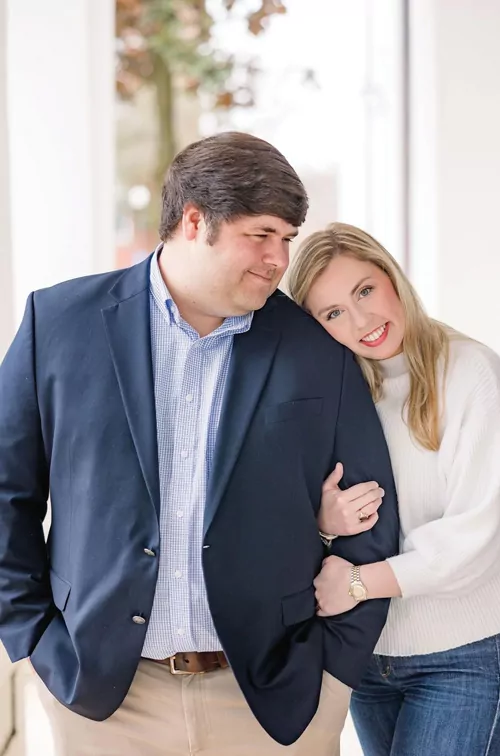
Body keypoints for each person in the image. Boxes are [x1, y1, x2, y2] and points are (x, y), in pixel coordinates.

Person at [0, 134, 399, 756]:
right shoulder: (59, 324)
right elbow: (8, 493)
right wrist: (31, 640)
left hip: (274, 700)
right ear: (194, 221)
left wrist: (334, 675)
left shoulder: (316, 347)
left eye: (287, 239)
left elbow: (373, 510)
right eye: (260, 234)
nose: (278, 259)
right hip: (104, 698)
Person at [289, 221, 500, 756]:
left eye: (364, 291)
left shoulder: (471, 372)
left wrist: (358, 582)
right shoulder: (337, 392)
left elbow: (476, 537)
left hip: (463, 657)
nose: (362, 321)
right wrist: (322, 523)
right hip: (367, 655)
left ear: (391, 275)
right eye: (333, 313)